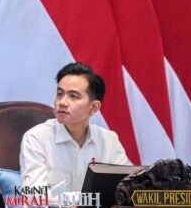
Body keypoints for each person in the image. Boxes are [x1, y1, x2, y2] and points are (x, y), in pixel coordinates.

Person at [19, 62, 130, 194]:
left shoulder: (109, 141)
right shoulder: (36, 138)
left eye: (73, 96)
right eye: (60, 94)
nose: (62, 102)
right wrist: (89, 200)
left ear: (94, 107)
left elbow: (126, 189)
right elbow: (34, 195)